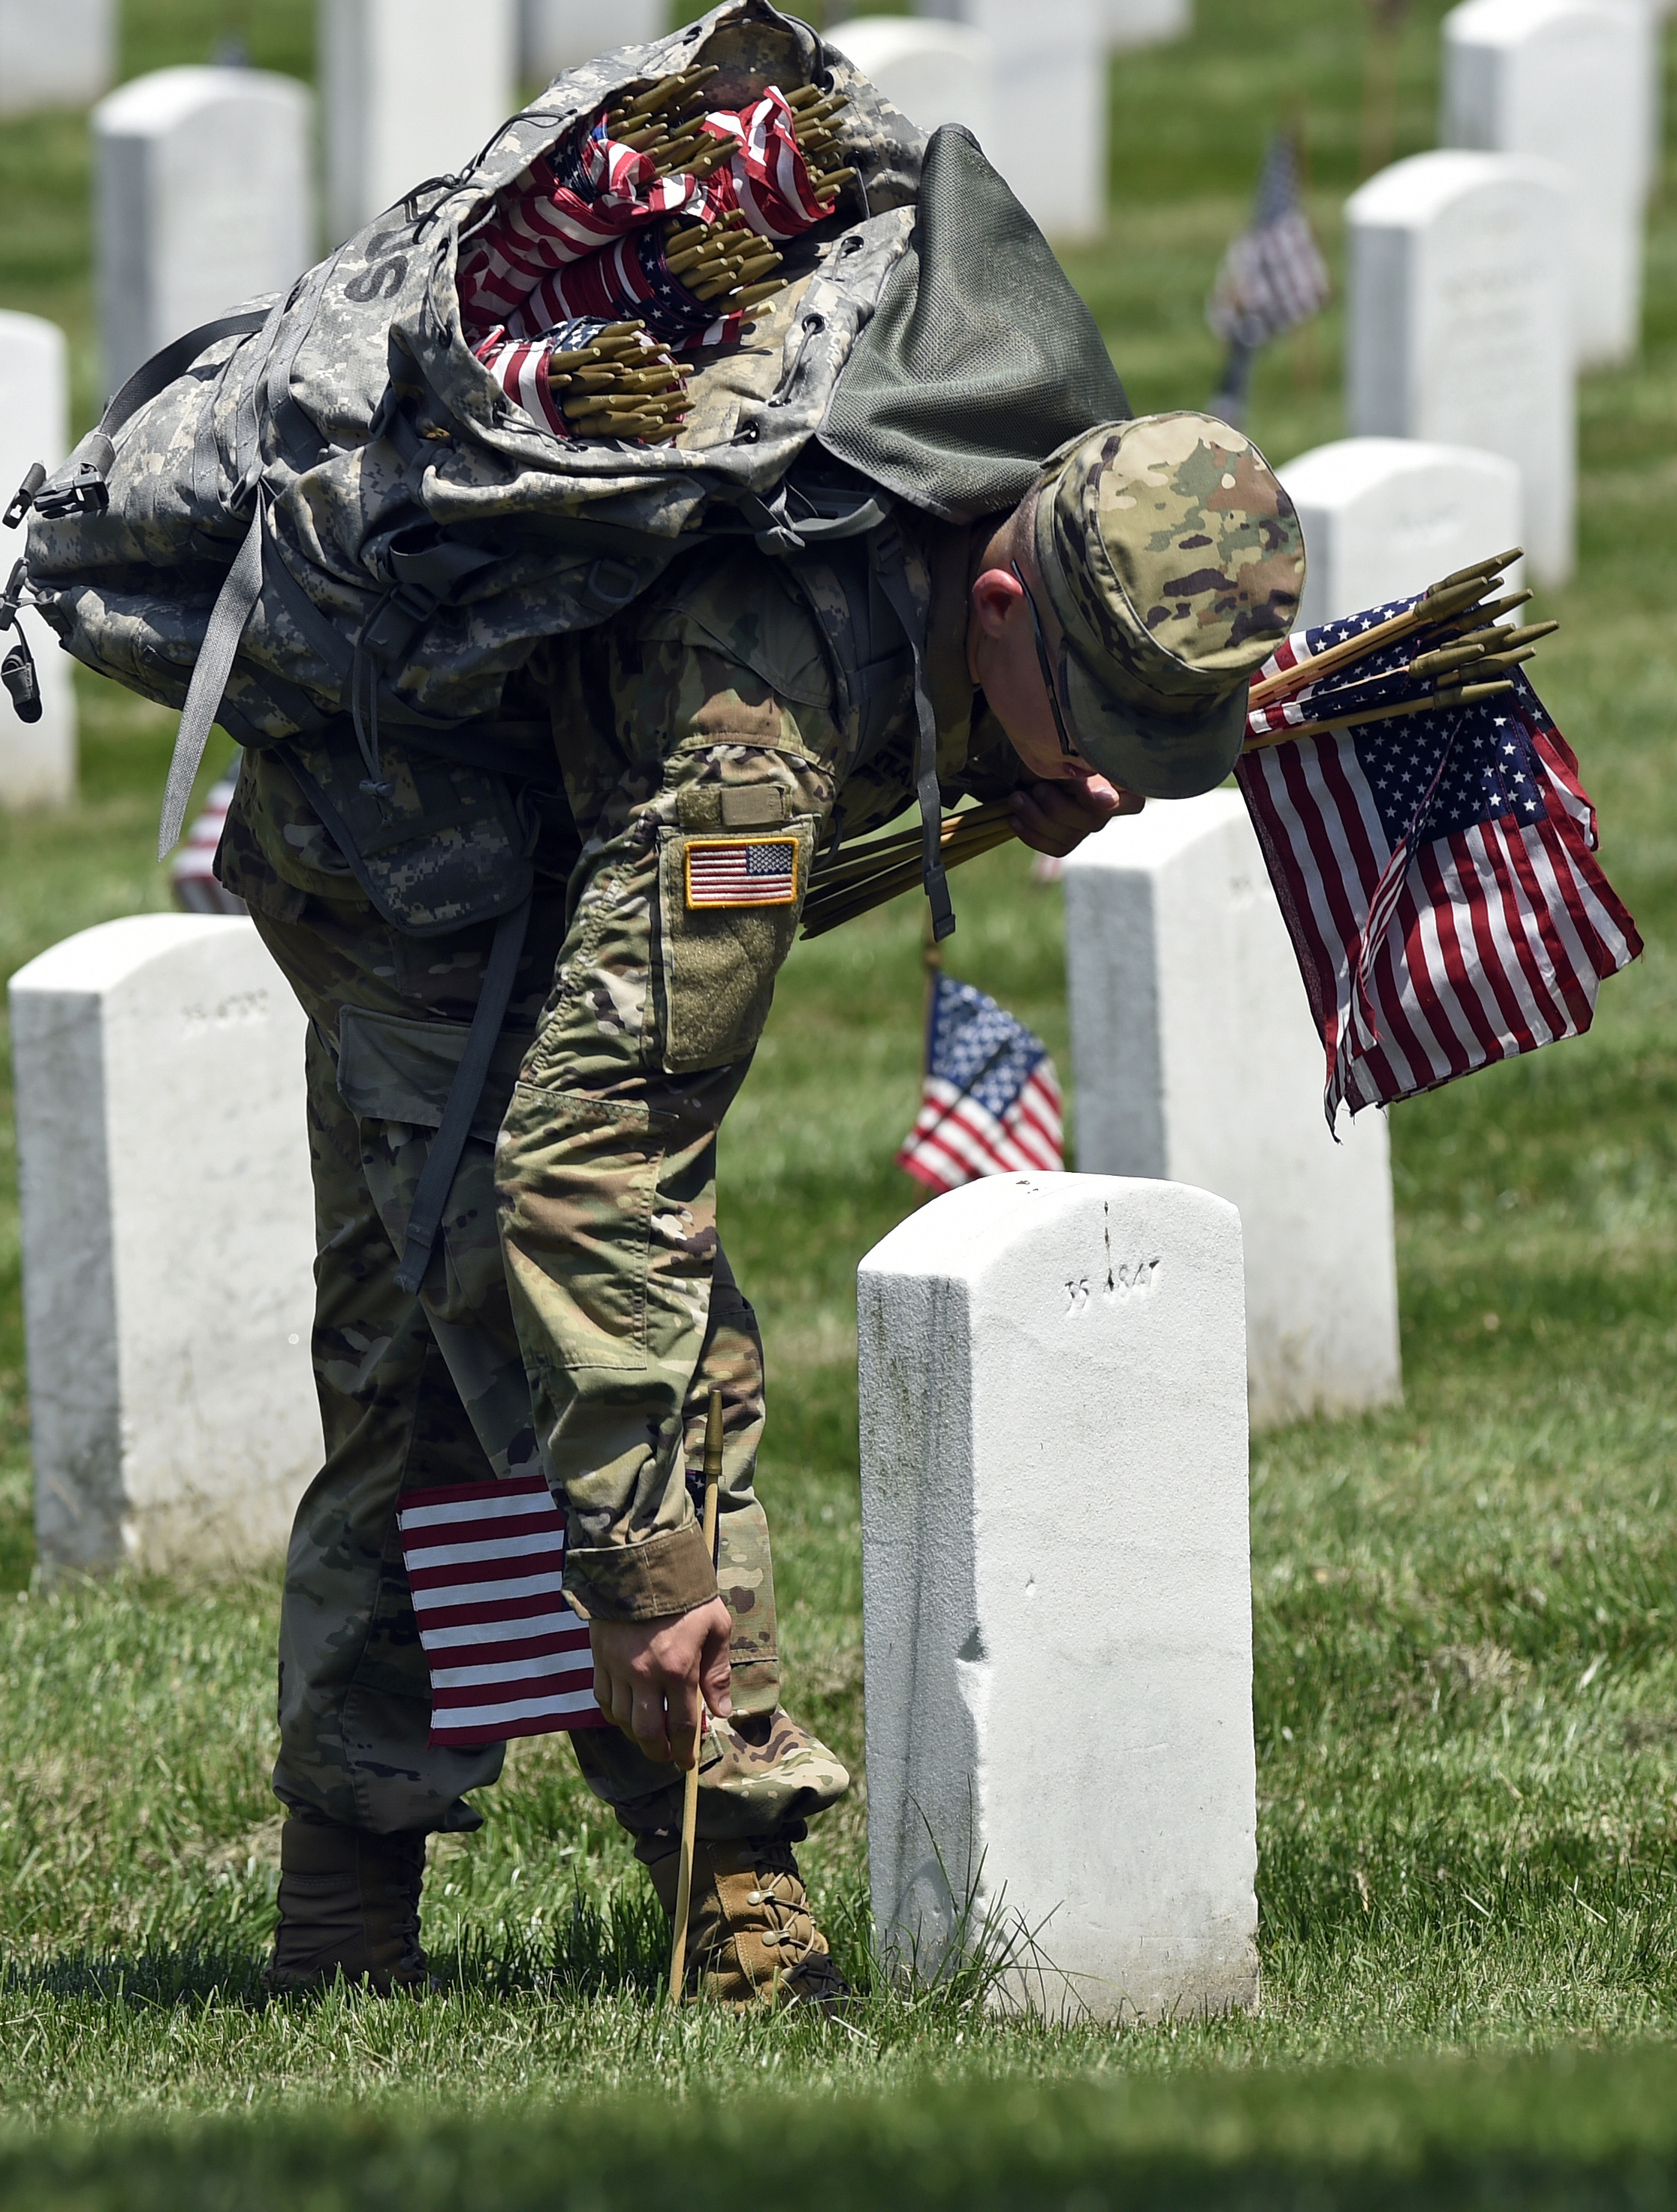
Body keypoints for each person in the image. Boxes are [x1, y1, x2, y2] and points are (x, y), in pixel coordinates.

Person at [218, 409, 1307, 2006]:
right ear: (999, 609)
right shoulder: (752, 733)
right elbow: (595, 1164)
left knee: (440, 1351)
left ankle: (348, 1911)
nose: (1111, 792)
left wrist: (1013, 754)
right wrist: (653, 1584)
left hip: (503, 819)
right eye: (1100, 735)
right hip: (404, 863)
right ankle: (718, 1880)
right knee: (565, 1343)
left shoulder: (999, 506)